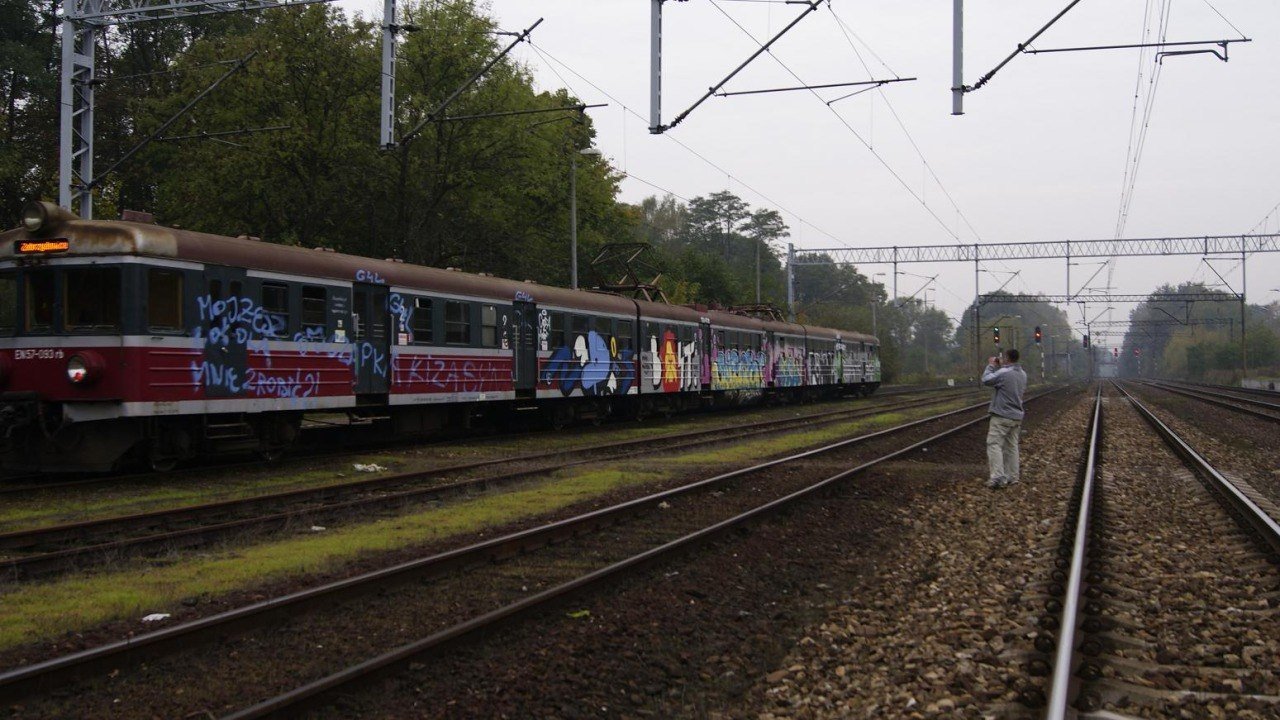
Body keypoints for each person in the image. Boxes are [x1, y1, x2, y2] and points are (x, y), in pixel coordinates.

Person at [982, 348, 1027, 489]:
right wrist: (1001, 366)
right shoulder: (1023, 374)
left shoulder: (1003, 373)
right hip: (1016, 416)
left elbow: (986, 380)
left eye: (1003, 358)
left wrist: (991, 365)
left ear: (1007, 358)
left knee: (994, 444)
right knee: (1012, 446)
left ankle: (997, 478)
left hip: (1002, 416)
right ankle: (1013, 477)